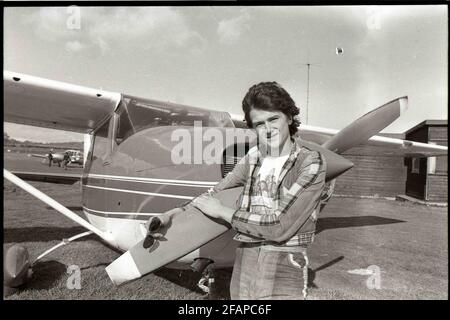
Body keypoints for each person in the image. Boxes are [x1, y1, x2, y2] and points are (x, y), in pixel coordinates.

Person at [189, 82, 329, 300]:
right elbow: (215, 192)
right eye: (259, 124)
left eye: (274, 119)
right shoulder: (253, 157)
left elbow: (279, 226)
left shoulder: (310, 162)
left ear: (289, 118)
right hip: (246, 255)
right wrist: (172, 215)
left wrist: (222, 212)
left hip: (285, 258)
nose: (268, 129)